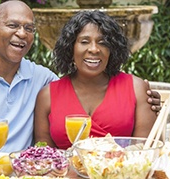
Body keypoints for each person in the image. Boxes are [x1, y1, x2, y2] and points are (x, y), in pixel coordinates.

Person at [0, 1, 160, 153]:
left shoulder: (41, 78)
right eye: (13, 25)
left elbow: (143, 151)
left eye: (28, 28)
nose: (21, 34)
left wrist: (150, 99)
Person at [34, 10, 157, 150]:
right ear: (70, 48)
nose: (94, 49)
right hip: (64, 171)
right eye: (84, 42)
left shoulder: (136, 88)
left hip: (122, 170)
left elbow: (147, 150)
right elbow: (44, 155)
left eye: (103, 42)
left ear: (112, 49)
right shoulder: (47, 96)